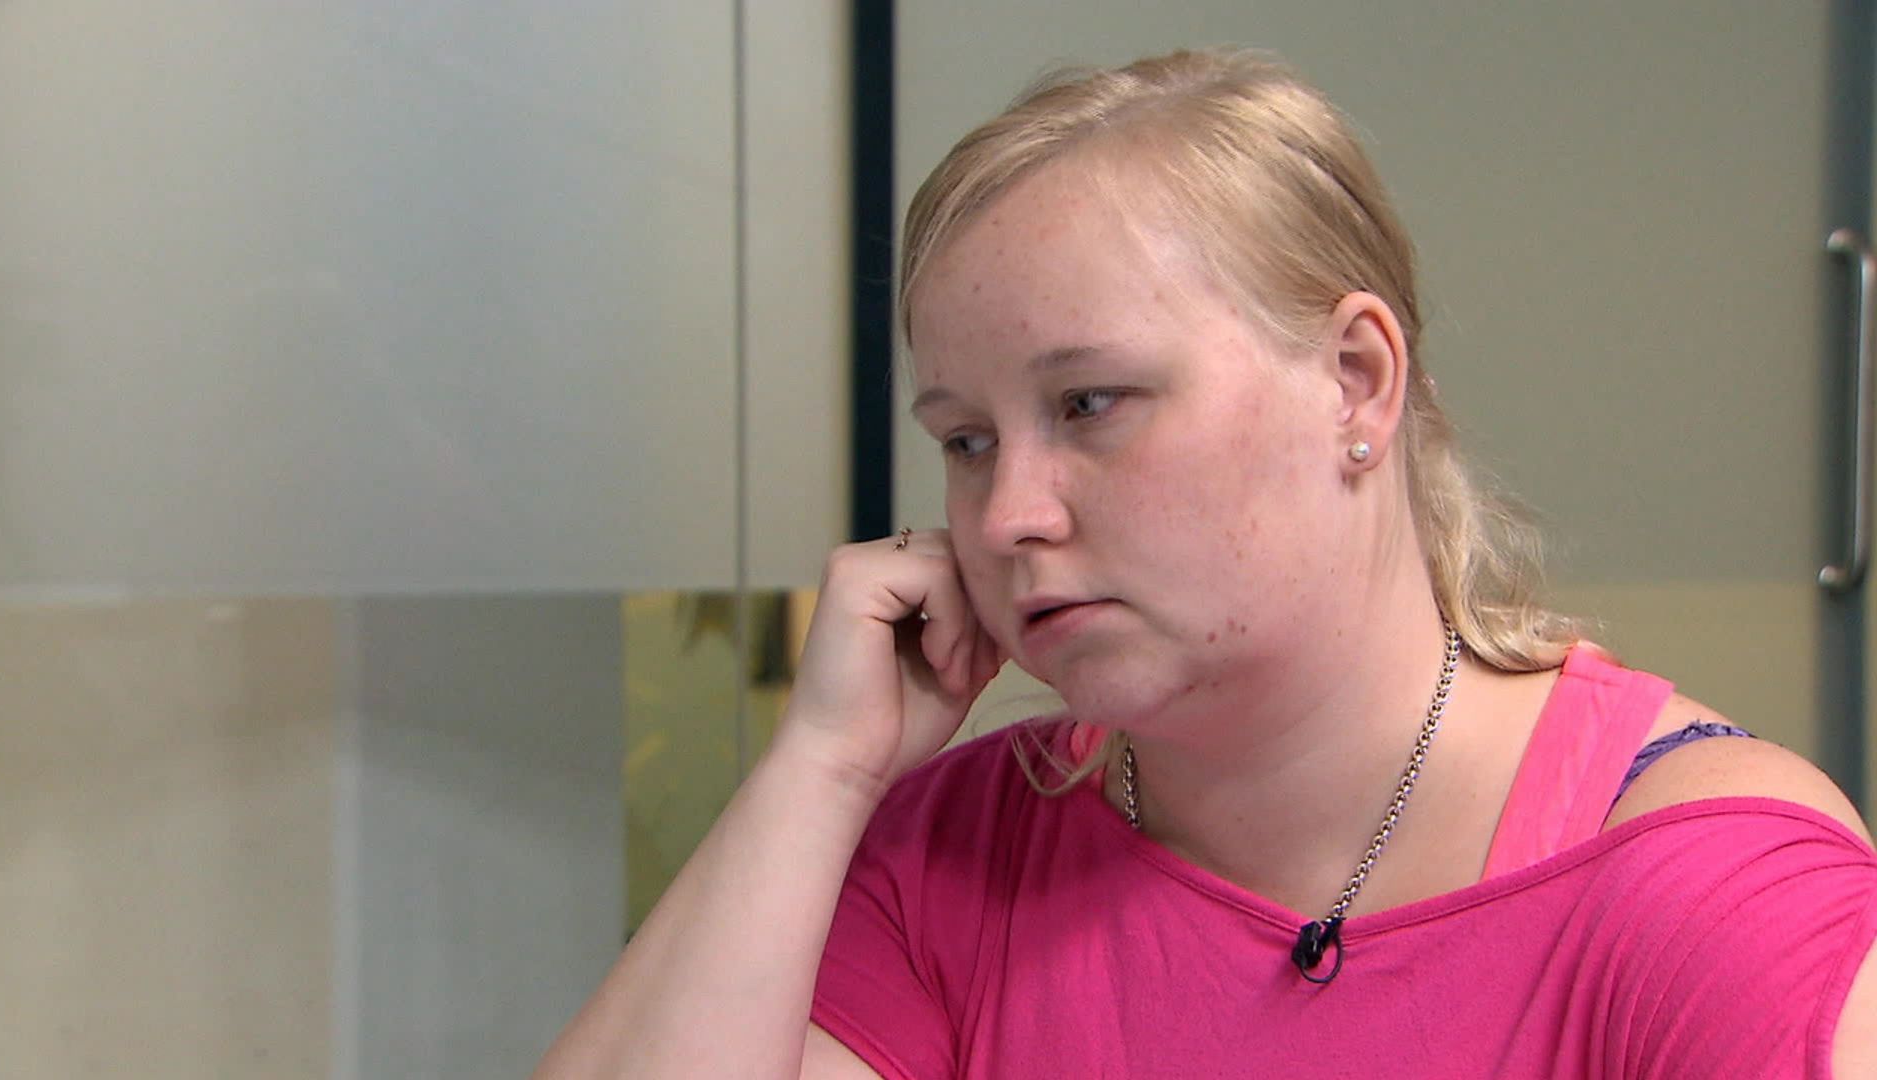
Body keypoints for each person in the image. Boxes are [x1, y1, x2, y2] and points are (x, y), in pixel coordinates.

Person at [535, 48, 1877, 1078]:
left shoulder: (1710, 885)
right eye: (964, 440)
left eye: (1090, 405)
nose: (1005, 518)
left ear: (1356, 382)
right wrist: (818, 773)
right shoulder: (952, 859)